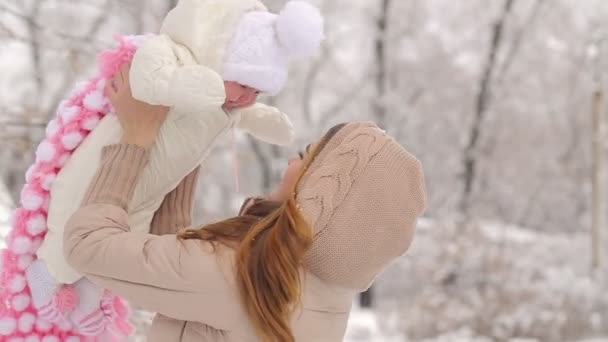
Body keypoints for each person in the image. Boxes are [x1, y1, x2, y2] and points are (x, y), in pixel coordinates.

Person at [62, 69, 428, 341]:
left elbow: (88, 245)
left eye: (305, 157)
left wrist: (137, 138)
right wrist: (186, 154)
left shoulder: (241, 273)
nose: (291, 163)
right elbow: (178, 275)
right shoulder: (319, 293)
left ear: (327, 197)